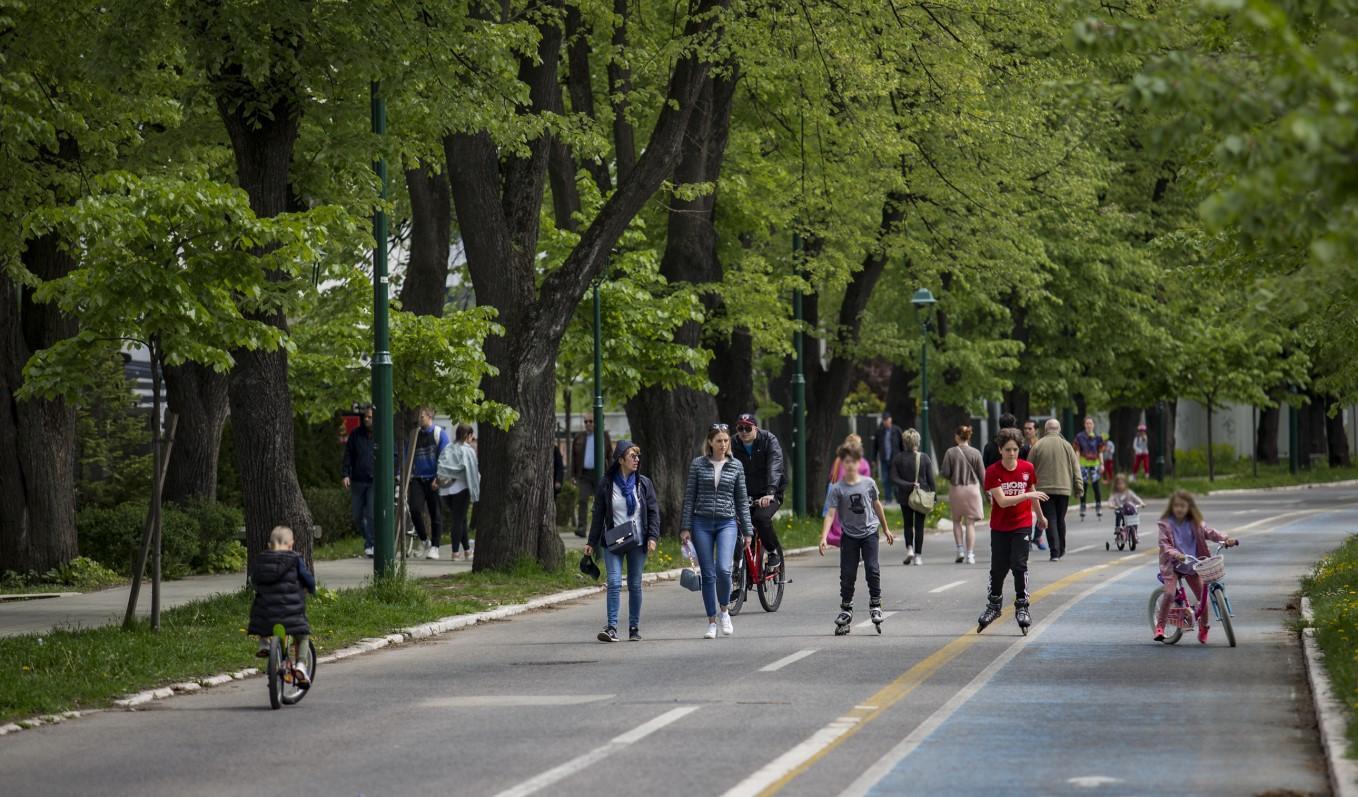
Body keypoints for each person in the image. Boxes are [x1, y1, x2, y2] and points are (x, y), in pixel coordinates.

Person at [680, 424, 754, 640]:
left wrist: (747, 531)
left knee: (723, 569)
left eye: (726, 441)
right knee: (708, 574)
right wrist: (685, 527)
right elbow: (689, 496)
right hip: (701, 523)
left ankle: (724, 611)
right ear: (710, 443)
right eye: (719, 441)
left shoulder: (736, 466)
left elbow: (741, 499)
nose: (723, 444)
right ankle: (711, 621)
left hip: (727, 523)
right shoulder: (698, 465)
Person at [585, 440, 660, 642]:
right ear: (620, 460)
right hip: (614, 540)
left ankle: (634, 627)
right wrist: (591, 542)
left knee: (635, 584)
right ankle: (612, 628)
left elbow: (653, 512)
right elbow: (598, 513)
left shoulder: (643, 483)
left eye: (638, 456)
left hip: (637, 540)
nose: (636, 460)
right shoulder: (606, 484)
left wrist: (652, 537)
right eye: (632, 456)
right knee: (614, 582)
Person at [976, 429, 1048, 634]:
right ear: (1000, 450)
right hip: (1000, 526)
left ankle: (1022, 605)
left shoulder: (1027, 468)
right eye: (1007, 449)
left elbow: (1033, 495)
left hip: (1022, 525)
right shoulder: (993, 471)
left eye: (1015, 449)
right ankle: (994, 605)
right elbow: (1003, 501)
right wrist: (1027, 494)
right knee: (998, 568)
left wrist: (1041, 518)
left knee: (1019, 565)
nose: (1011, 453)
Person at [819, 444, 894, 635]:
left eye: (853, 461)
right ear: (842, 464)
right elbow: (830, 514)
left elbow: (877, 505)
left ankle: (875, 603)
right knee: (847, 573)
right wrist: (824, 537)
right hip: (849, 535)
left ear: (859, 462)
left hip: (869, 532)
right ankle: (846, 609)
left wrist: (885, 528)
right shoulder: (837, 488)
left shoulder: (868, 483)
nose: (850, 465)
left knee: (872, 568)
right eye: (847, 462)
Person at [1154, 490, 1237, 643]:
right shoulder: (1165, 524)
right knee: (1170, 594)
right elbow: (1164, 544)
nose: (1179, 509)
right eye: (1176, 506)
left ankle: (1204, 626)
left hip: (1192, 565)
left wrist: (1226, 539)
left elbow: (1210, 533)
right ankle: (1160, 626)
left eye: (1183, 506)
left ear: (1189, 507)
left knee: (1203, 598)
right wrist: (1176, 554)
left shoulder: (1195, 523)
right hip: (1173, 565)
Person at [248, 526, 317, 685]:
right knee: (303, 635)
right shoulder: (294, 559)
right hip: (291, 613)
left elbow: (253, 580)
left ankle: (264, 643)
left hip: (265, 613)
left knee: (264, 620)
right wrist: (312, 588)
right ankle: (300, 665)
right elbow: (307, 578)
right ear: (291, 544)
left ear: (269, 545)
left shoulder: (261, 560)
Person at [731, 413, 787, 573]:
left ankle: (772, 552)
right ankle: (741, 576)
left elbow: (775, 466)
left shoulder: (768, 439)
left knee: (760, 518)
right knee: (736, 526)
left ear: (755, 428)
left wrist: (770, 492)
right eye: (740, 428)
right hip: (745, 494)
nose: (744, 432)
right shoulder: (733, 443)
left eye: (748, 428)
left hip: (770, 491)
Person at [1027, 419, 1082, 560]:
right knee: (1060, 519)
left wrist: (1027, 488)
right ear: (1059, 429)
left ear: (1046, 430)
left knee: (1050, 519)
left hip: (1043, 489)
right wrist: (1078, 488)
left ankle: (1054, 552)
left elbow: (1028, 467)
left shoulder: (1037, 446)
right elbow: (1076, 468)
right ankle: (1061, 548)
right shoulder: (1067, 445)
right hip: (1063, 489)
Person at [940, 425, 984, 564]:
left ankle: (960, 550)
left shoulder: (950, 452)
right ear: (969, 436)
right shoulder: (976, 453)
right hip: (972, 490)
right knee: (970, 523)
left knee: (956, 521)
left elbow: (945, 473)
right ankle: (970, 554)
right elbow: (983, 475)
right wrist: (988, 494)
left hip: (956, 489)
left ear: (957, 437)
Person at [890, 428, 935, 566]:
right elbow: (931, 479)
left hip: (905, 496)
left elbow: (894, 478)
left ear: (904, 442)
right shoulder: (925, 458)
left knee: (908, 524)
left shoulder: (898, 458)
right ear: (918, 442)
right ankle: (918, 556)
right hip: (921, 495)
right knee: (919, 526)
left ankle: (909, 548)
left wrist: (908, 484)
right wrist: (934, 495)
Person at [408, 407, 448, 559]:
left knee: (435, 513)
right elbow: (408, 455)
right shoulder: (415, 435)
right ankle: (425, 540)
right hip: (418, 478)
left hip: (434, 479)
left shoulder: (439, 434)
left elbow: (445, 457)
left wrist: (439, 478)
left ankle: (435, 547)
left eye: (422, 416)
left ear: (430, 416)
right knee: (415, 509)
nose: (420, 418)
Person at [436, 424, 480, 561]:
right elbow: (472, 472)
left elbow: (441, 466)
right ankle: (455, 552)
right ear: (469, 435)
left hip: (446, 489)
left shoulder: (448, 448)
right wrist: (475, 490)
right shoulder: (468, 450)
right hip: (461, 487)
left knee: (462, 519)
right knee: (458, 520)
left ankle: (467, 550)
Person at [824, 434, 872, 546]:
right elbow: (867, 478)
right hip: (857, 497)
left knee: (842, 522)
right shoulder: (862, 462)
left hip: (840, 496)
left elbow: (832, 475)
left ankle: (848, 547)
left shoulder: (839, 460)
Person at [341, 404, 375, 558]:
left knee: (370, 513)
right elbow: (348, 455)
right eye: (365, 417)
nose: (366, 419)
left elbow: (393, 455)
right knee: (356, 515)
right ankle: (369, 540)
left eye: (369, 417)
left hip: (374, 481)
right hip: (358, 480)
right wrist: (345, 474)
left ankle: (370, 544)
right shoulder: (355, 435)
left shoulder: (382, 434)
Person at [572, 416, 613, 538]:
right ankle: (582, 527)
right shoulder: (579, 437)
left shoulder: (604, 435)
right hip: (584, 474)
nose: (588, 424)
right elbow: (574, 458)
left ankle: (604, 527)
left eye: (591, 421)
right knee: (583, 499)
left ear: (596, 422)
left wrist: (611, 474)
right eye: (586, 422)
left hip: (600, 474)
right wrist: (573, 475)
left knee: (602, 501)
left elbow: (610, 455)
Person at [1073, 416, 1104, 521]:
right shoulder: (1079, 436)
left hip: (1094, 463)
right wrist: (1076, 464)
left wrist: (1102, 464)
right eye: (1087, 423)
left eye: (1090, 423)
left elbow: (1100, 451)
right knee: (1084, 485)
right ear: (1084, 425)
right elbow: (1077, 451)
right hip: (1083, 463)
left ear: (1093, 425)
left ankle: (1098, 505)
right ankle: (1082, 505)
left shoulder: (1098, 437)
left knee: (1096, 485)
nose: (1089, 425)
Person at [871, 412, 904, 503]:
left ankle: (898, 498)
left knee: (896, 479)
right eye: (884, 420)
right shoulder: (879, 432)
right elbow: (875, 447)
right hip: (884, 459)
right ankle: (888, 498)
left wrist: (904, 457)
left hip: (896, 460)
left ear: (891, 420)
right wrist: (873, 459)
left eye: (887, 420)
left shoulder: (897, 430)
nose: (886, 422)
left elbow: (902, 445)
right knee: (885, 479)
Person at [1106, 473, 1144, 544]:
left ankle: (1135, 533)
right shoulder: (1115, 494)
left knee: (1135, 517)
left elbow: (1136, 498)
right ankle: (1117, 530)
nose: (1120, 486)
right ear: (1115, 485)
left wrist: (1141, 503)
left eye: (1122, 484)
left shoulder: (1129, 492)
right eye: (1118, 484)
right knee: (1118, 513)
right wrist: (1111, 505)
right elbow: (1110, 500)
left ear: (1125, 484)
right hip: (1120, 510)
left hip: (1129, 510)